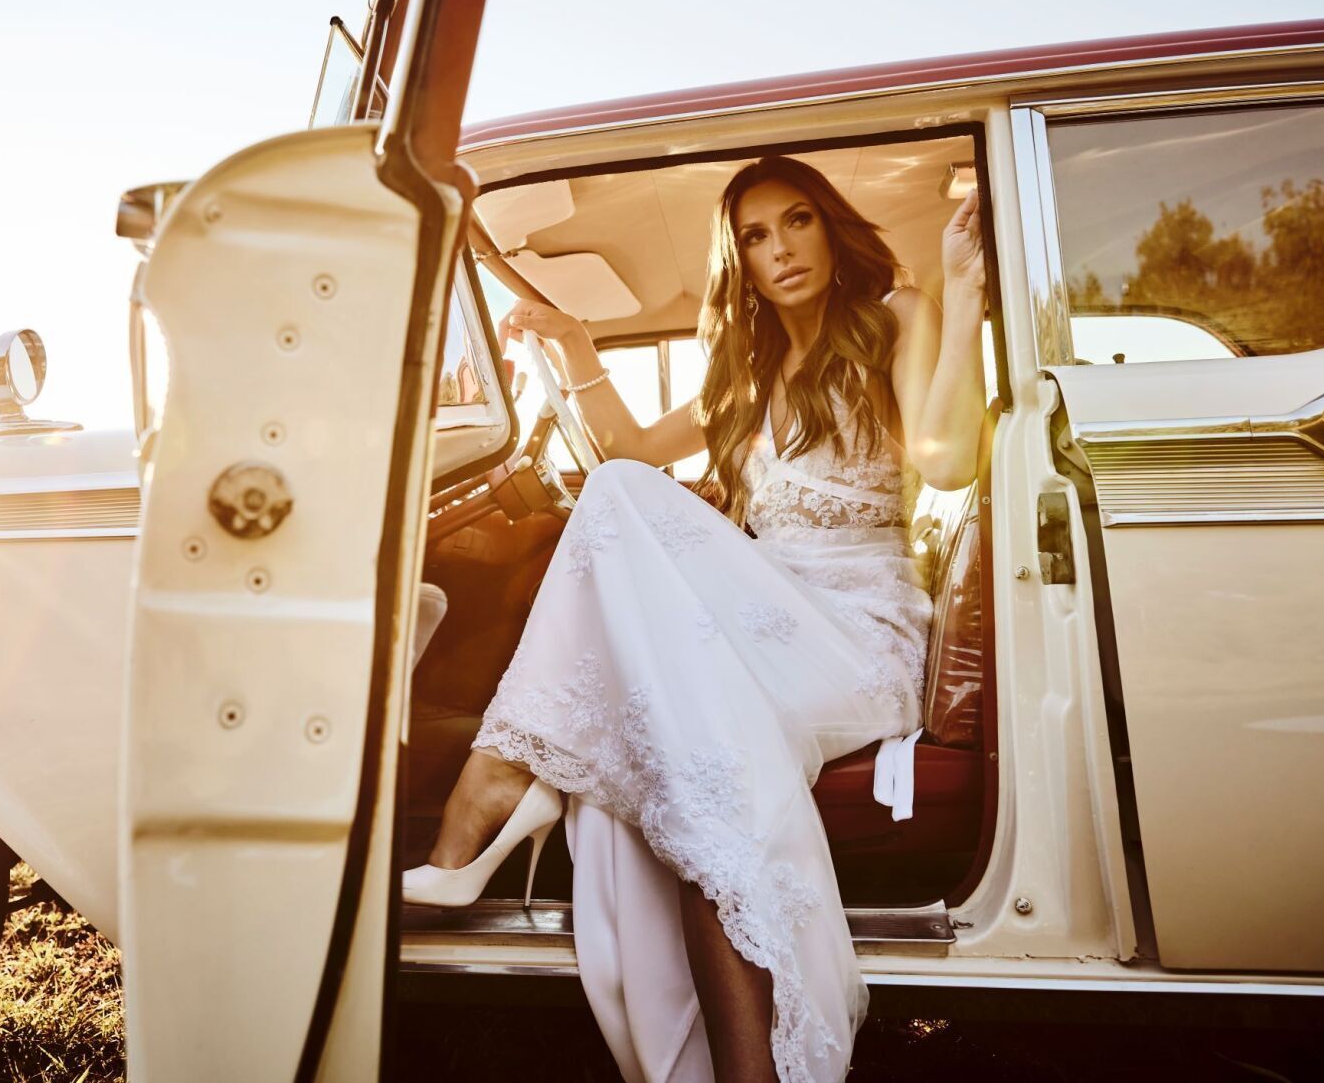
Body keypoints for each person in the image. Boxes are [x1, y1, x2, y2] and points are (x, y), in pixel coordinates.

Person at [403, 154, 988, 1083]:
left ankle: (497, 778)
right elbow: (632, 449)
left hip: (858, 635)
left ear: (830, 228)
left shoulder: (894, 319)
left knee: (625, 519)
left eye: (797, 220)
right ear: (741, 262)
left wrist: (960, 292)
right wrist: (579, 351)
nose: (781, 247)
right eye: (755, 236)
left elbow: (948, 460)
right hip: (762, 622)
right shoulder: (746, 369)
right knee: (694, 758)